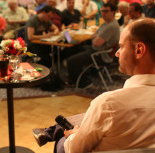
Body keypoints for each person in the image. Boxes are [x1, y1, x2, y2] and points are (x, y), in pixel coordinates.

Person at [34, 18, 155, 153]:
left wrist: (73, 136)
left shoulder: (109, 104)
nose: (116, 53)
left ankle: (52, 133)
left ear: (139, 50)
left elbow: (74, 149)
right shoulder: (110, 105)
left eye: (121, 46)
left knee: (63, 142)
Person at [67, 2, 120, 86]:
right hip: (99, 50)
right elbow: (94, 36)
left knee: (71, 61)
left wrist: (96, 37)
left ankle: (82, 82)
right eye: (102, 11)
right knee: (73, 50)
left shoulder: (111, 26)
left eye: (106, 11)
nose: (103, 13)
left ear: (113, 12)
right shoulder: (107, 23)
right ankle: (76, 75)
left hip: (100, 55)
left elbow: (96, 43)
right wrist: (96, 37)